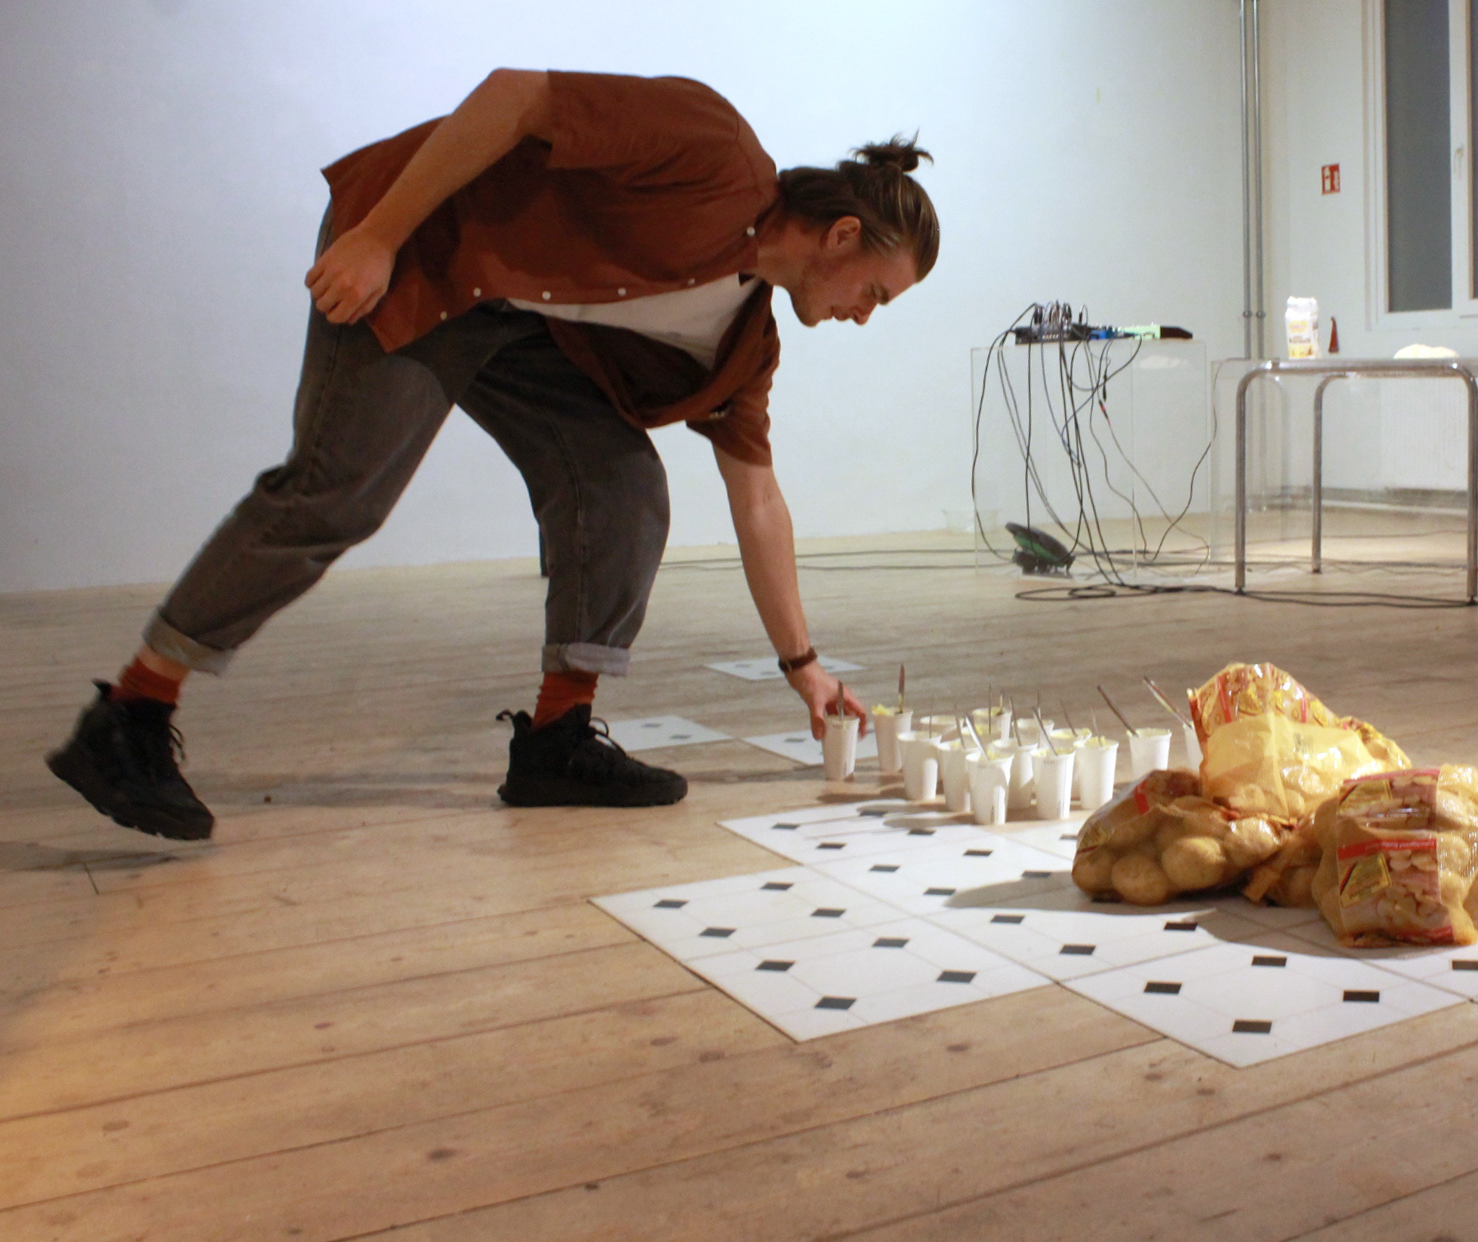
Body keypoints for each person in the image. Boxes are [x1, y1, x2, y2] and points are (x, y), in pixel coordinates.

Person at [45, 68, 938, 841]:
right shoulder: (714, 151)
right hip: (425, 250)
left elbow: (759, 502)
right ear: (842, 236)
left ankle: (557, 739)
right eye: (877, 294)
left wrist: (804, 668)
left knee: (621, 486)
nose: (865, 315)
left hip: (517, 325)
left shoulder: (743, 347)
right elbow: (516, 96)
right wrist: (379, 236)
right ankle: (131, 709)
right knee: (338, 491)